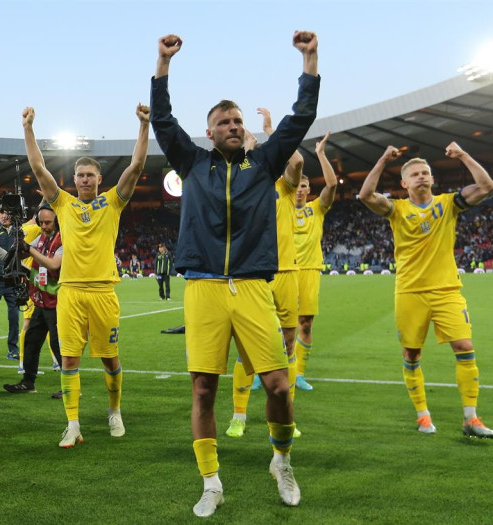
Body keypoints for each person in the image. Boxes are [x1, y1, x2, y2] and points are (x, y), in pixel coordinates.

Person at [152, 31, 319, 516]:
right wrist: (163, 65)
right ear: (209, 131)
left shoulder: (263, 163)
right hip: (203, 287)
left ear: (245, 130)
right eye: (223, 121)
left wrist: (310, 60)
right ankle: (211, 482)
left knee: (279, 387)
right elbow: (163, 119)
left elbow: (300, 118)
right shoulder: (192, 162)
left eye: (238, 121)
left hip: (251, 287)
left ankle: (281, 461)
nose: (231, 125)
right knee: (204, 389)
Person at [24, 102, 149, 447]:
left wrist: (143, 125)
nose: (84, 180)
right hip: (71, 292)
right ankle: (73, 424)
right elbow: (38, 167)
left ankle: (114, 410)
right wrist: (29, 128)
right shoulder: (63, 203)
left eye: (90, 175)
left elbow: (136, 165)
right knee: (68, 359)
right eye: (80, 175)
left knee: (110, 358)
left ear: (99, 179)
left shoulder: (112, 202)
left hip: (103, 291)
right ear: (74, 179)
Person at [358, 142, 493, 438]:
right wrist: (383, 159)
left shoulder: (448, 204)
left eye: (426, 172)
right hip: (410, 291)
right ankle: (423, 415)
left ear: (432, 179)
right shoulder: (397, 209)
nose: (422, 176)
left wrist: (463, 155)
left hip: (446, 290)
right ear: (404, 183)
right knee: (411, 353)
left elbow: (486, 185)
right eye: (416, 174)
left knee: (464, 347)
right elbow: (365, 195)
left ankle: (471, 419)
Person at [228, 108, 305, 436]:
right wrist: (247, 145)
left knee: (289, 342)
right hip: (253, 274)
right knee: (248, 347)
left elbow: (298, 162)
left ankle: (288, 416)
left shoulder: (284, 185)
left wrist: (272, 132)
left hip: (286, 272)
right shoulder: (241, 181)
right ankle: (239, 416)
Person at [292, 132, 339, 390]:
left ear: (308, 189)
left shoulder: (316, 208)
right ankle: (263, 371)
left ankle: (298, 372)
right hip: (282, 270)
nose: (299, 189)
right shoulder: (280, 207)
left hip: (309, 270)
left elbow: (331, 186)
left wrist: (320, 154)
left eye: (303, 186)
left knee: (305, 324)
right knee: (276, 324)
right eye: (296, 184)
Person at [4, 204, 63, 394]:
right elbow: (23, 253)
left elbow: (53, 265)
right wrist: (18, 244)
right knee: (31, 340)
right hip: (42, 300)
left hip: (58, 302)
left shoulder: (64, 239)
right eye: (41, 222)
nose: (44, 226)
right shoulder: (41, 238)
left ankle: (71, 386)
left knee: (58, 344)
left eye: (48, 222)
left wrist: (28, 248)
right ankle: (28, 382)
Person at [0, 204, 22, 361]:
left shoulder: (19, 230)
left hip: (12, 279)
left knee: (14, 316)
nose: (4, 215)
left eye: (8, 212)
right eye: (1, 212)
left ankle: (13, 349)